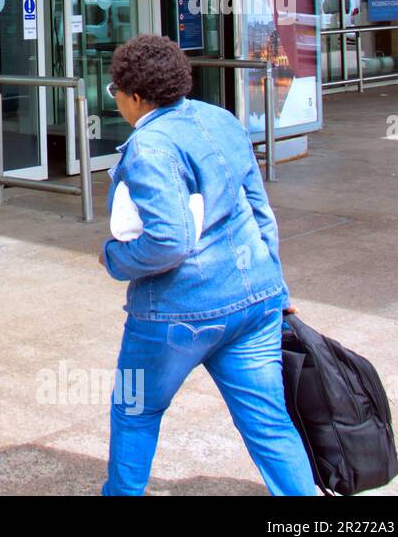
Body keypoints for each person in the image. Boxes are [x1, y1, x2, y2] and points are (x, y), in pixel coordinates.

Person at [99, 34, 314, 495]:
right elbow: (260, 210)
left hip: (177, 314)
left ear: (135, 97)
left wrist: (114, 259)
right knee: (269, 424)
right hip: (253, 301)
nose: (114, 99)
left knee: (134, 412)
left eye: (115, 90)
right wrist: (277, 290)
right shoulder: (220, 120)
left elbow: (169, 242)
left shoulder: (149, 147)